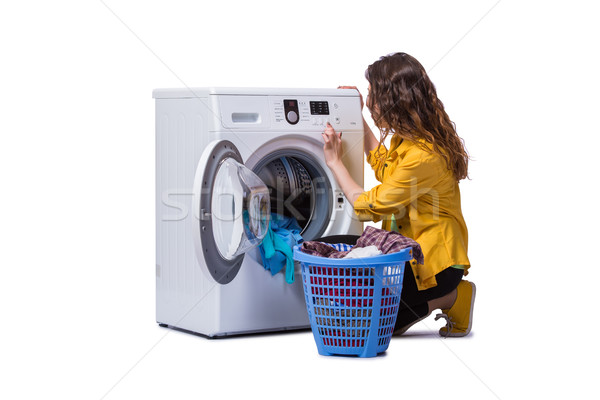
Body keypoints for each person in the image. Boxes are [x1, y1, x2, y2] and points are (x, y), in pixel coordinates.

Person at [321, 52, 475, 337]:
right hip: (409, 254)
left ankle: (453, 295)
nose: (368, 103)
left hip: (435, 267)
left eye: (371, 95)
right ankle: (406, 308)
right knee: (327, 248)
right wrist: (359, 116)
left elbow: (367, 206)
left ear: (393, 100)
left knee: (372, 322)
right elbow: (385, 169)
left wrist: (334, 162)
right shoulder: (409, 137)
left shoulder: (422, 156)